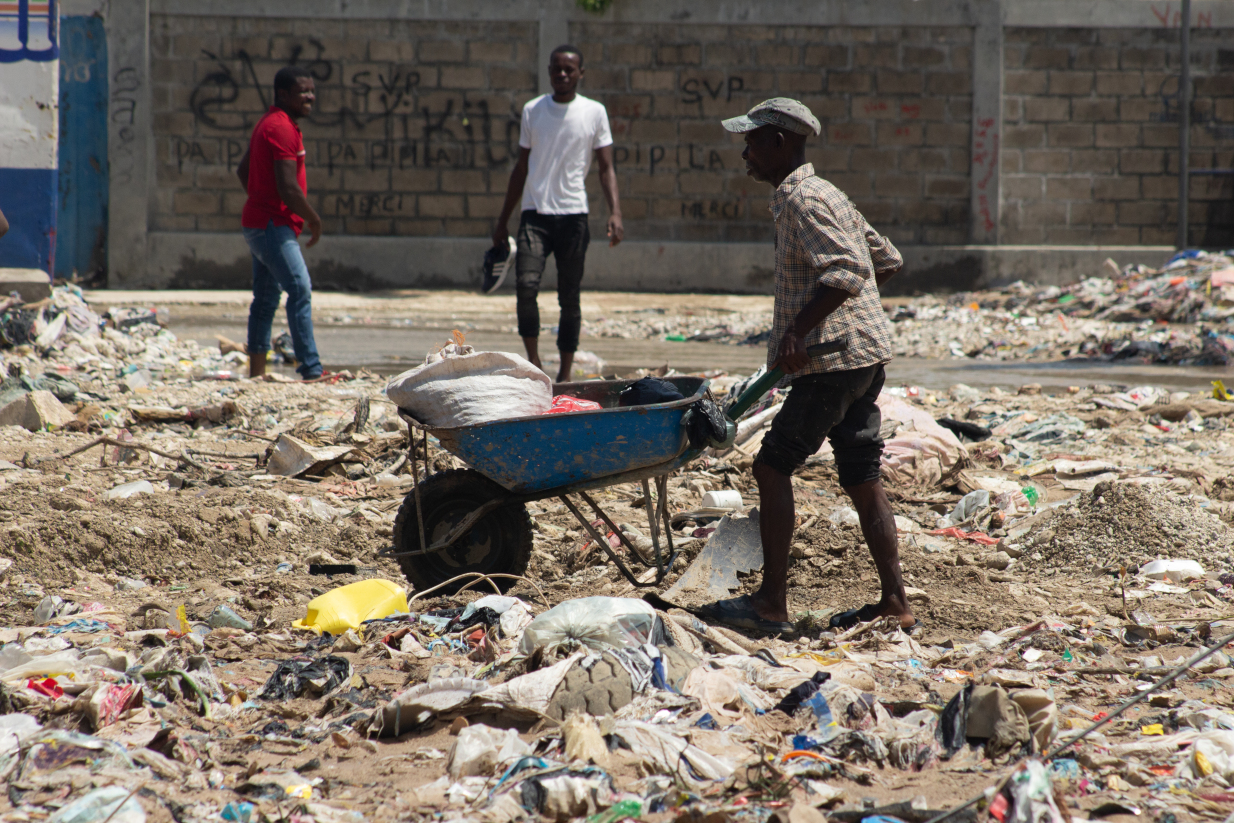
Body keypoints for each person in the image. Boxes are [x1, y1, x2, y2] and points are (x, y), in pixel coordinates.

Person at [698, 98, 915, 636]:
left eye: (751, 142)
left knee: (771, 467)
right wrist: (848, 319)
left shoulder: (802, 200)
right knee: (862, 477)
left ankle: (771, 603)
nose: (744, 153)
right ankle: (895, 602)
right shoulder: (828, 193)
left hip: (833, 364)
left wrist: (802, 331)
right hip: (864, 357)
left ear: (778, 142)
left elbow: (845, 271)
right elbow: (884, 260)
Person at [489, 44, 623, 383]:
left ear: (580, 73)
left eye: (569, 69)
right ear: (549, 71)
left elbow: (606, 168)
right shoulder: (533, 110)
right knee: (525, 286)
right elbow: (521, 168)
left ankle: (564, 372)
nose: (562, 74)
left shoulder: (594, 112)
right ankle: (534, 360)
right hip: (534, 216)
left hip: (573, 216)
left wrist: (615, 212)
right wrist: (503, 219)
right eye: (556, 69)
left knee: (569, 297)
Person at [235, 65, 324, 380]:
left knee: (266, 297)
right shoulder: (281, 128)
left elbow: (242, 171)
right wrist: (312, 218)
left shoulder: (270, 124)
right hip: (272, 226)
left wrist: (260, 200)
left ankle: (257, 374)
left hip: (261, 223)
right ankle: (312, 370)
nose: (310, 97)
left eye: (312, 90)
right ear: (283, 94)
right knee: (299, 289)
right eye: (303, 92)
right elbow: (289, 188)